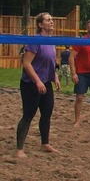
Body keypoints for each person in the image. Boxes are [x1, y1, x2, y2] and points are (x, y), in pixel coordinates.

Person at [16, 12, 61, 158]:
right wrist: (37, 81)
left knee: (47, 113)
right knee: (28, 115)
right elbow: (26, 64)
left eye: (52, 19)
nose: (52, 22)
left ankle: (45, 144)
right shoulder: (35, 40)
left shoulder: (51, 41)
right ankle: (19, 149)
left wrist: (55, 77)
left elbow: (50, 62)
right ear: (40, 24)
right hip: (31, 83)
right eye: (48, 20)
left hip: (45, 82)